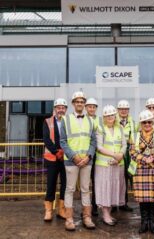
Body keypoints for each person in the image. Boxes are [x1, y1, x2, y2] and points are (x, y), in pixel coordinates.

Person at [60, 91, 96, 231]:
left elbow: (93, 141)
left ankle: (87, 217)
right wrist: (74, 156)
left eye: (82, 102)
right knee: (69, 189)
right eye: (77, 101)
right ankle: (69, 219)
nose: (80, 104)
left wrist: (88, 157)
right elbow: (63, 141)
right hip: (71, 161)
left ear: (84, 104)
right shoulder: (66, 119)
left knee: (86, 189)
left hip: (87, 161)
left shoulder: (91, 121)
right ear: (73, 104)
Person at [128, 110, 154, 234]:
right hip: (140, 171)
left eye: (149, 122)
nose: (147, 124)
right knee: (143, 199)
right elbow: (132, 153)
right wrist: (144, 159)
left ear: (153, 122)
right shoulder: (134, 136)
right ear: (141, 123)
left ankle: (153, 223)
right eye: (144, 122)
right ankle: (144, 223)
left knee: (153, 199)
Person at [95, 105, 127, 226]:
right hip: (104, 165)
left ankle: (108, 213)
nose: (110, 117)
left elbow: (124, 145)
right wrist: (115, 155)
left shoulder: (119, 128)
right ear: (104, 117)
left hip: (118, 165)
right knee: (105, 188)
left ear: (115, 116)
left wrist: (120, 156)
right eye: (107, 115)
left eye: (112, 115)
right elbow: (99, 147)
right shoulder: (100, 128)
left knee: (113, 188)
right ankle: (105, 215)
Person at [43, 98, 68, 222]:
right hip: (52, 158)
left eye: (63, 108)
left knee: (65, 185)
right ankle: (48, 211)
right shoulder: (47, 121)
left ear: (66, 109)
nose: (61, 110)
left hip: (66, 158)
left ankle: (61, 209)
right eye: (58, 107)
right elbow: (46, 139)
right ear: (55, 109)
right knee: (51, 184)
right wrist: (56, 152)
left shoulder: (70, 122)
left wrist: (65, 152)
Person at [116, 100, 136, 212]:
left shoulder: (133, 123)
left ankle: (124, 203)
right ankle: (115, 204)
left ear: (128, 110)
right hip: (118, 153)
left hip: (130, 153)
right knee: (118, 178)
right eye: (121, 109)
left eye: (126, 109)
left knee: (128, 178)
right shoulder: (114, 122)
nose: (123, 111)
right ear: (118, 110)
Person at [85, 97, 99, 216]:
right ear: (86, 108)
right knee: (85, 184)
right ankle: (86, 208)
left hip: (97, 157)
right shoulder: (82, 120)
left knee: (95, 182)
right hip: (85, 156)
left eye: (94, 107)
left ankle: (94, 206)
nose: (92, 109)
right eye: (90, 106)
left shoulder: (100, 121)